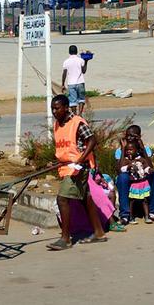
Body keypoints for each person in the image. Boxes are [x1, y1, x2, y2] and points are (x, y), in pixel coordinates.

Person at [47, 94, 107, 250]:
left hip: (78, 168)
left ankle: (65, 239)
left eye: (57, 108)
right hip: (66, 166)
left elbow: (92, 140)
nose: (54, 111)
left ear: (66, 108)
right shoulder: (57, 125)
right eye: (52, 108)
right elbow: (64, 147)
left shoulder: (77, 123)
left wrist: (81, 159)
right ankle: (99, 232)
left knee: (62, 199)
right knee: (85, 198)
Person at [115, 125, 154, 224]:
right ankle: (125, 215)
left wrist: (142, 149)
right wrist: (123, 150)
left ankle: (153, 212)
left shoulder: (144, 149)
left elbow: (151, 167)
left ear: (138, 136)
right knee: (122, 177)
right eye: (127, 136)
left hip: (142, 178)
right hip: (129, 178)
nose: (129, 138)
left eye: (132, 136)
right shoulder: (120, 150)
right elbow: (119, 170)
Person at [118, 140, 152, 223]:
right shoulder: (126, 160)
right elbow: (121, 169)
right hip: (134, 184)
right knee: (132, 200)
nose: (129, 152)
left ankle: (147, 216)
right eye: (127, 150)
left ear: (136, 151)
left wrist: (149, 170)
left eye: (131, 150)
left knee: (145, 200)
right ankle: (130, 217)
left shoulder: (141, 159)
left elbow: (146, 167)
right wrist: (128, 167)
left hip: (143, 183)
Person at [61, 45, 88, 115]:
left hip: (71, 83)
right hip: (80, 82)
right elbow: (84, 71)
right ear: (77, 51)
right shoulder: (81, 60)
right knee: (81, 99)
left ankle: (75, 115)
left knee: (72, 101)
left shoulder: (66, 61)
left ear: (69, 52)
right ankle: (80, 114)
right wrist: (86, 61)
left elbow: (64, 73)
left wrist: (63, 84)